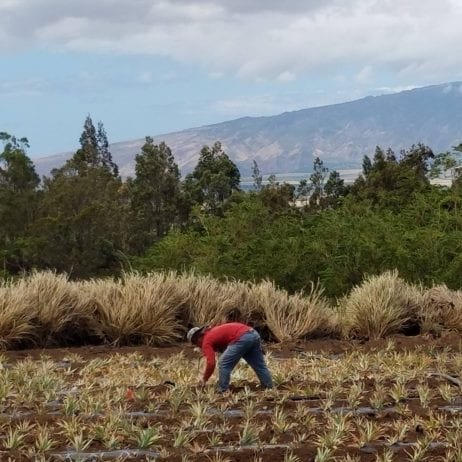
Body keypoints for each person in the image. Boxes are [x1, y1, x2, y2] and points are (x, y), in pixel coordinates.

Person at [187, 322, 273, 392]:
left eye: (196, 344)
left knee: (223, 363)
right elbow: (226, 347)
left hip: (242, 338)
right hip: (252, 334)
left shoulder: (206, 340)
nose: (198, 346)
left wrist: (204, 379)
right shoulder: (212, 333)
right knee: (259, 366)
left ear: (197, 339)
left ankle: (223, 389)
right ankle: (268, 387)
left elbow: (211, 363)